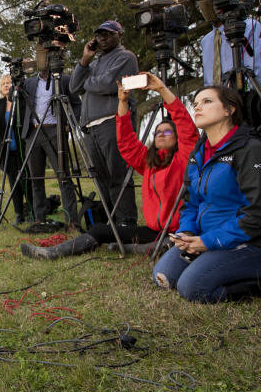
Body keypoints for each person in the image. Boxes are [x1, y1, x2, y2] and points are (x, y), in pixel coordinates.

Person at [21, 72, 198, 259]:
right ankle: (53, 253)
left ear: (178, 137)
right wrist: (122, 102)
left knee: (170, 242)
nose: (161, 134)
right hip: (153, 230)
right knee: (100, 230)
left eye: (168, 131)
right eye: (157, 132)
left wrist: (162, 89)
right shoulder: (149, 163)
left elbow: (186, 126)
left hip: (180, 231)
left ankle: (153, 247)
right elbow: (126, 143)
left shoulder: (185, 159)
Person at [152, 86, 261, 303]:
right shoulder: (199, 154)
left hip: (255, 243)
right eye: (195, 103)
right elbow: (191, 204)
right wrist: (187, 231)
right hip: (206, 239)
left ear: (229, 110)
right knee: (163, 277)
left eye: (206, 101)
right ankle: (210, 260)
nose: (197, 107)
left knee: (192, 288)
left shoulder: (253, 151)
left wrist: (209, 241)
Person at [70, 20, 139, 225]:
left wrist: (88, 82)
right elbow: (74, 86)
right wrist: (84, 60)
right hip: (91, 127)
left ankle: (126, 222)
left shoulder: (126, 57)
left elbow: (110, 84)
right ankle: (111, 223)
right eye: (99, 35)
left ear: (120, 35)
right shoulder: (93, 63)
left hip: (113, 122)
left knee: (119, 175)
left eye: (108, 34)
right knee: (102, 178)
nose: (102, 38)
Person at [20, 52, 82, 224]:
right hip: (33, 133)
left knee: (64, 177)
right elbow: (13, 96)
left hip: (55, 131)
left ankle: (72, 221)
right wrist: (19, 72)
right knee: (36, 180)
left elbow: (77, 104)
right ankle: (39, 220)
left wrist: (71, 124)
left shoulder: (64, 80)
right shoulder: (29, 82)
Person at [0, 74, 33, 224]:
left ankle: (32, 211)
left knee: (26, 181)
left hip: (22, 148)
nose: (6, 85)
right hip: (7, 151)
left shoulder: (21, 102)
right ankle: (19, 213)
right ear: (0, 88)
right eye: (3, 84)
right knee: (13, 182)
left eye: (9, 83)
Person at [197, 0, 261, 87]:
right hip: (215, 98)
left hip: (240, 95)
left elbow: (253, 69)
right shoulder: (206, 41)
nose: (204, 5)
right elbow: (208, 80)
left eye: (207, 0)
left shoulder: (248, 26)